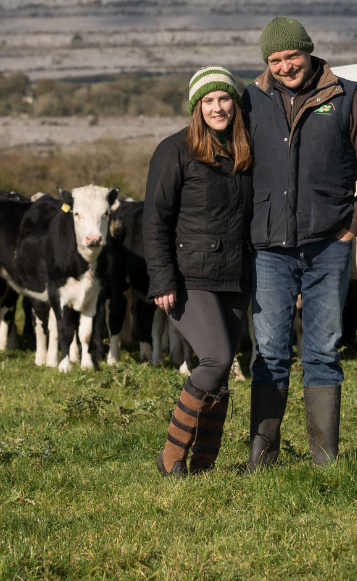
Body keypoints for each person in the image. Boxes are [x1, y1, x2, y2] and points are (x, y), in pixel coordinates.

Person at [244, 16, 357, 468]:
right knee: (269, 353)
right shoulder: (249, 100)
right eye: (275, 59)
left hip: (329, 245)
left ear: (308, 51)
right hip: (268, 249)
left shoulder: (347, 96)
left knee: (322, 352)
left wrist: (352, 225)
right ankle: (261, 459)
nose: (285, 66)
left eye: (292, 56)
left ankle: (324, 460)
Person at [144, 66, 253, 476]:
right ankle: (171, 457)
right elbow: (155, 220)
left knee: (222, 372)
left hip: (236, 274)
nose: (217, 108)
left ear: (233, 103)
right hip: (190, 277)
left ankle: (205, 463)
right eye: (207, 101)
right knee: (216, 358)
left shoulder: (244, 151)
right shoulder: (174, 150)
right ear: (196, 107)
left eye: (223, 98)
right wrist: (162, 278)